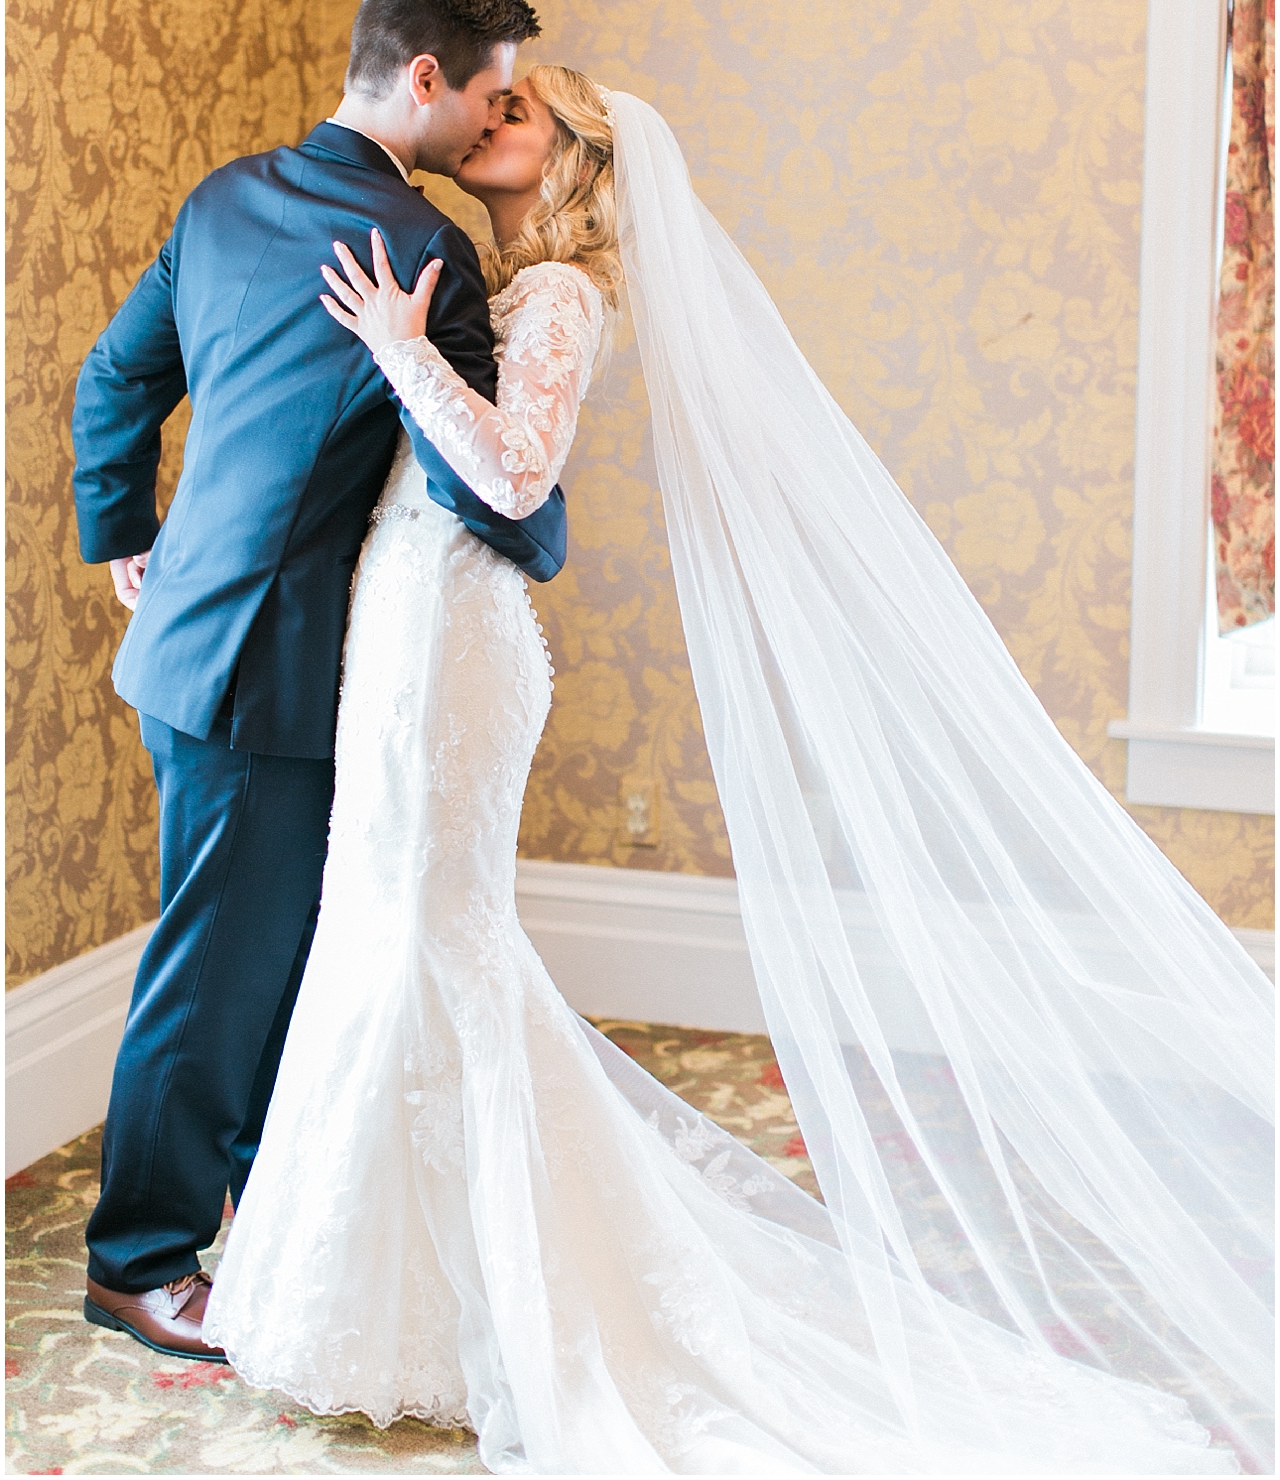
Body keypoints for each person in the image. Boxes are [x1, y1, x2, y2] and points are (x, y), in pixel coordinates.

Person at [205, 72, 1271, 1474]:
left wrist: (406, 355)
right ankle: (382, 1290)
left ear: (575, 157)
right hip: (404, 624)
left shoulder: (562, 300)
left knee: (426, 929)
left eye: (518, 111)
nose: (486, 120)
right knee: (388, 922)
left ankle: (476, 1295)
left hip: (453, 647)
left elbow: (516, 479)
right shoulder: (497, 283)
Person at [71, 0, 566, 1361]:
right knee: (221, 966)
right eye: (490, 95)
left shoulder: (224, 196)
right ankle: (138, 1261)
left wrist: (123, 529)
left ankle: (267, 1217)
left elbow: (117, 374)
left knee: (269, 952)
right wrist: (541, 538)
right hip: (265, 670)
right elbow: (497, 493)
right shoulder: (418, 252)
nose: (491, 123)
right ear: (425, 78)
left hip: (189, 641)